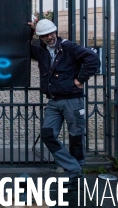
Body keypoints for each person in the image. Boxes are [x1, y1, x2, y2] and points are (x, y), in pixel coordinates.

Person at [28, 19, 100, 186]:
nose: (50, 37)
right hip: (54, 101)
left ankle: (75, 175)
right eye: (45, 35)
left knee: (75, 137)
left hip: (72, 100)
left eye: (51, 33)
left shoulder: (68, 47)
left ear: (55, 32)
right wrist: (31, 31)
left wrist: (80, 79)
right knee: (47, 134)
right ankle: (74, 168)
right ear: (41, 37)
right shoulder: (41, 51)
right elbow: (24, 48)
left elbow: (93, 59)